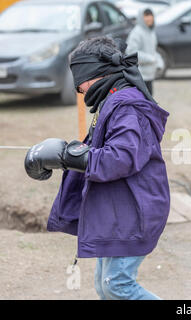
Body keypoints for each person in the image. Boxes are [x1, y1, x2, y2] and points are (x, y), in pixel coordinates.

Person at [23, 36, 170, 300]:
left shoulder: (127, 106)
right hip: (119, 209)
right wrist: (69, 155)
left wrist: (70, 157)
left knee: (117, 286)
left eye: (80, 78)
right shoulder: (112, 100)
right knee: (106, 286)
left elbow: (120, 158)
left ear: (95, 73)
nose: (79, 88)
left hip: (134, 210)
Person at [126, 8, 163, 96]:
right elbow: (131, 53)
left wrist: (159, 61)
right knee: (141, 105)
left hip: (149, 76)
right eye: (146, 15)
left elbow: (153, 51)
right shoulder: (136, 32)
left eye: (151, 15)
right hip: (139, 77)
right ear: (141, 17)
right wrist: (151, 59)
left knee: (149, 105)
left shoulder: (151, 32)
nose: (149, 18)